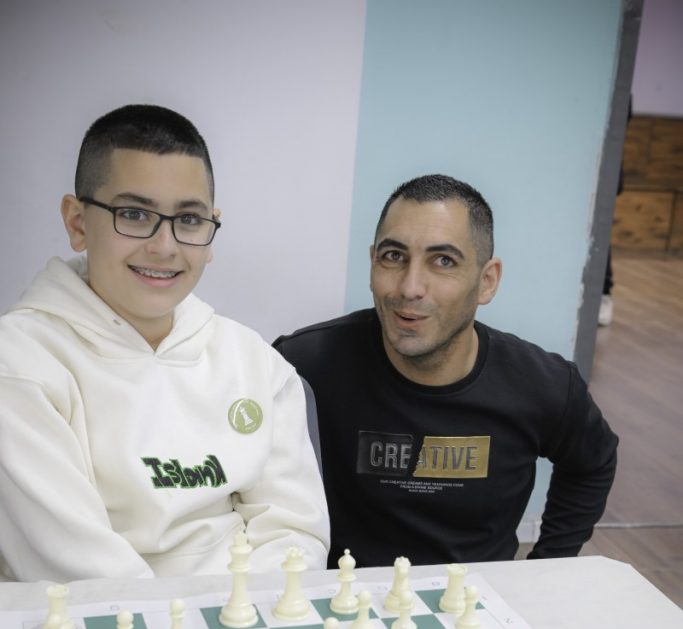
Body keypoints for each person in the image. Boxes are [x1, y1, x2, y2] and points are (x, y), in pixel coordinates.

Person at [0, 105, 329, 582]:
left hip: (244, 615)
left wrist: (241, 614)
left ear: (211, 230)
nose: (164, 246)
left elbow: (294, 533)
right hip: (98, 623)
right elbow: (80, 570)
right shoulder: (19, 365)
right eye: (134, 214)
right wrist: (195, 621)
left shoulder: (255, 362)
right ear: (77, 222)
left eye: (189, 219)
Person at [273, 175, 617, 569]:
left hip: (474, 597)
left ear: (487, 282)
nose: (410, 287)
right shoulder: (304, 365)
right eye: (393, 256)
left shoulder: (542, 384)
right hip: (344, 595)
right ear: (372, 264)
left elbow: (593, 463)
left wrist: (547, 567)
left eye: (443, 261)